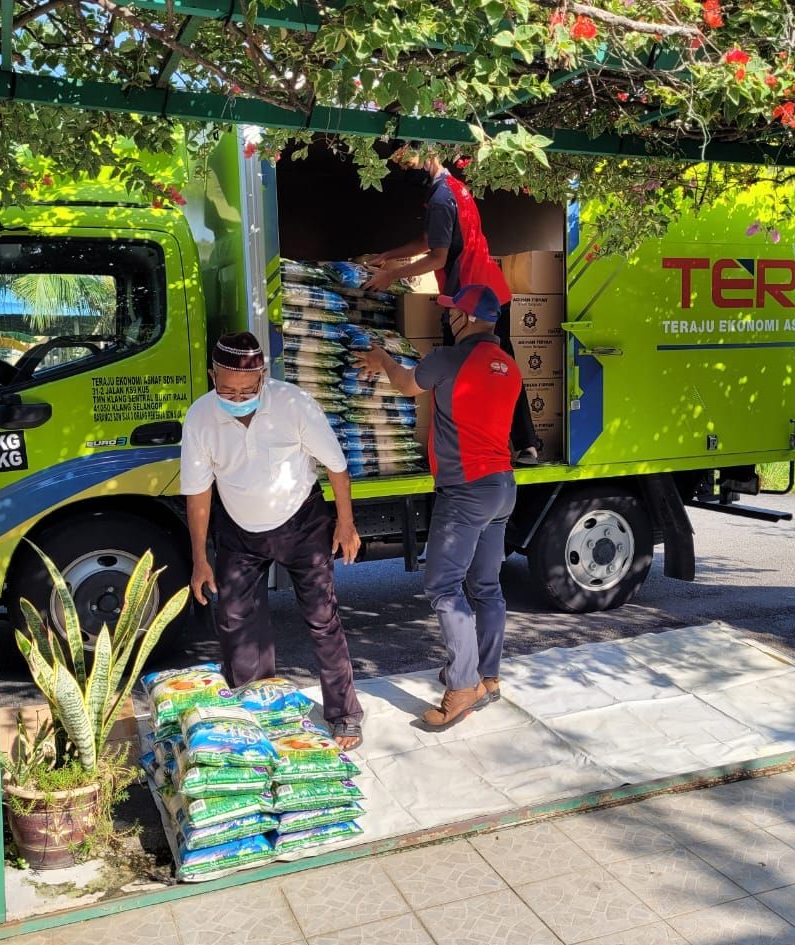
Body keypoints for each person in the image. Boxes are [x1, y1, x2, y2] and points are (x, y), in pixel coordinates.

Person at [181, 332, 365, 749]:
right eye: (227, 388)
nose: (238, 396)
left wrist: (345, 523)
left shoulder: (294, 404)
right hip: (239, 532)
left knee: (322, 618)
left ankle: (345, 713)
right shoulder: (200, 417)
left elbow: (336, 466)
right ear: (212, 377)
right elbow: (198, 493)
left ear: (263, 376)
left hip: (302, 524)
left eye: (248, 389)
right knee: (237, 623)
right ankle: (257, 715)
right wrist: (200, 558)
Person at [351, 285, 521, 730]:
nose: (447, 320)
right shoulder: (510, 367)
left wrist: (382, 360)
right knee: (486, 584)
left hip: (466, 490)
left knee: (443, 585)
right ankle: (487, 676)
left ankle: (462, 688)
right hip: (503, 485)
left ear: (465, 319)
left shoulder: (449, 359)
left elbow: (407, 385)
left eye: (452, 314)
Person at [363, 145, 539, 466]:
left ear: (427, 152)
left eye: (407, 161)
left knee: (452, 376)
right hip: (491, 291)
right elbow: (433, 239)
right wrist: (389, 255)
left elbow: (437, 256)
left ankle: (456, 454)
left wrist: (392, 275)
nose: (405, 169)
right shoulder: (454, 188)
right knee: (503, 369)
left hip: (470, 300)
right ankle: (527, 445)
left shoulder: (442, 198)